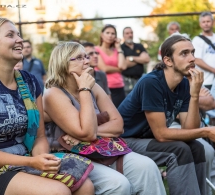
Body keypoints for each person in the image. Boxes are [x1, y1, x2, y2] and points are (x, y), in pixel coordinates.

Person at [0, 17, 93, 195]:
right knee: (57, 191)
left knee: (86, 186)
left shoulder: (29, 81)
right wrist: (32, 163)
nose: (19, 40)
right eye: (10, 35)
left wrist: (40, 161)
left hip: (25, 160)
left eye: (19, 35)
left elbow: (39, 137)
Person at [43, 41, 166, 195]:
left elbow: (118, 125)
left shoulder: (93, 86)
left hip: (100, 148)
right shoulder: (53, 93)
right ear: (63, 63)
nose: (87, 61)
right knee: (118, 184)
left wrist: (87, 134)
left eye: (86, 56)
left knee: (147, 166)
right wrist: (84, 89)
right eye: (79, 58)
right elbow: (87, 133)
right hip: (69, 155)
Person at [118, 34, 215, 195]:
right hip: (125, 140)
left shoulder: (184, 84)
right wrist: (206, 131)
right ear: (168, 61)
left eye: (193, 52)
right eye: (184, 53)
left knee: (197, 147)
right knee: (178, 150)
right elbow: (161, 134)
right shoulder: (151, 82)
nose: (192, 58)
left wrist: (195, 94)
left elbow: (189, 130)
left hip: (148, 140)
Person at [192, 11, 215, 125]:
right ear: (200, 24)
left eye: (208, 21)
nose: (206, 24)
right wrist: (213, 70)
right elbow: (197, 59)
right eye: (203, 22)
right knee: (208, 112)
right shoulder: (197, 40)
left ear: (213, 22)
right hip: (206, 81)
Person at [95, 24, 126, 108]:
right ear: (102, 35)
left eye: (113, 33)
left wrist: (119, 48)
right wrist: (118, 69)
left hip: (119, 86)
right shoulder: (96, 50)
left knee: (121, 113)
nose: (110, 35)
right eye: (107, 33)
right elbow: (104, 68)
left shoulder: (117, 50)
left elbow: (123, 66)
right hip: (104, 87)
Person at [121, 27, 150, 94]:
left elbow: (147, 59)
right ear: (123, 35)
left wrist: (131, 58)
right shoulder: (121, 48)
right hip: (127, 81)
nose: (130, 35)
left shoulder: (139, 46)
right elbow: (124, 64)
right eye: (127, 33)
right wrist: (140, 59)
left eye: (131, 33)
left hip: (140, 79)